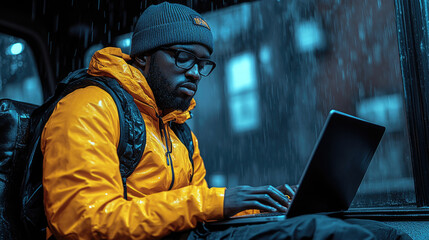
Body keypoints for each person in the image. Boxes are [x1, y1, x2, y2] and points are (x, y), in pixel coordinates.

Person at [41, 2, 411, 240]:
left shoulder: (177, 129)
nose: (195, 73)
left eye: (203, 63)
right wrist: (217, 201)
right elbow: (83, 223)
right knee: (327, 235)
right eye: (183, 57)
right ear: (143, 58)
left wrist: (259, 208)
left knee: (379, 233)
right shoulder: (89, 108)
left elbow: (194, 206)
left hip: (184, 235)